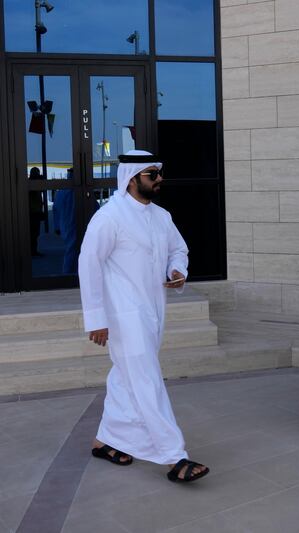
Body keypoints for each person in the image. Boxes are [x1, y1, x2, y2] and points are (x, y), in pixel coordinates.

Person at [78, 150, 209, 483]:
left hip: (153, 310)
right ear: (132, 178)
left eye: (159, 173)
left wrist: (177, 269)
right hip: (123, 315)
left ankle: (104, 440)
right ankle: (174, 456)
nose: (159, 179)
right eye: (153, 175)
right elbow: (88, 264)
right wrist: (96, 318)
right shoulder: (109, 217)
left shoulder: (161, 217)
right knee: (146, 380)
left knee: (127, 377)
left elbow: (178, 249)